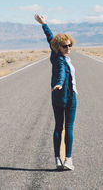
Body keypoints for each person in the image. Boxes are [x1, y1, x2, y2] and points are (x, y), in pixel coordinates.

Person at [34, 14, 77, 171]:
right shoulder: (59, 59)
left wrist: (44, 23)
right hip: (67, 97)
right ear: (58, 47)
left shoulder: (57, 55)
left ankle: (59, 159)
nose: (68, 48)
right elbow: (61, 74)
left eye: (70, 45)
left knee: (60, 126)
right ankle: (68, 159)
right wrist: (59, 83)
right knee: (67, 127)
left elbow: (50, 37)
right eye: (65, 46)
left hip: (58, 97)